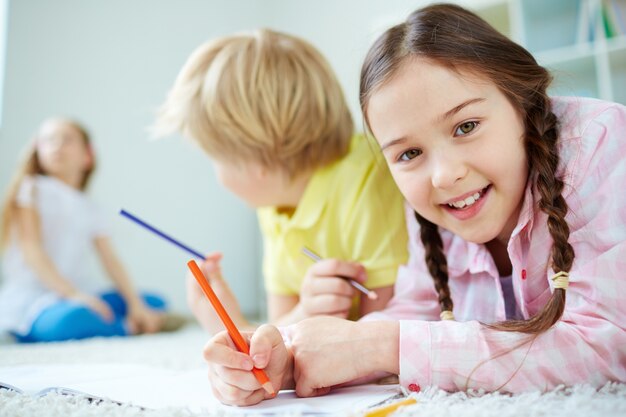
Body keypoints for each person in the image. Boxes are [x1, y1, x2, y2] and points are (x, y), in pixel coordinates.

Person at [200, 3, 626, 405]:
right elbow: (414, 309)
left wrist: (384, 346)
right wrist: (288, 359)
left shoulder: (599, 143)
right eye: (409, 154)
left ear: (523, 102)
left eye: (467, 126)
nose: (443, 175)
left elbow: (608, 345)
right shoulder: (435, 212)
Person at [154, 29, 408, 333]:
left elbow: (382, 336)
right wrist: (236, 328)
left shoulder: (366, 181)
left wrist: (286, 325)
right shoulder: (274, 206)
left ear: (256, 159)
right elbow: (282, 330)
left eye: (215, 157)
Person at [0, 118, 167, 342]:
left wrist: (136, 303)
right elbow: (32, 250)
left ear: (87, 155)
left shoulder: (90, 207)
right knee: (71, 319)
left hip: (80, 293)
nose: (57, 145)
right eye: (48, 140)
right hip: (38, 299)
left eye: (66, 140)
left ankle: (134, 319)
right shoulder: (31, 189)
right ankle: (127, 328)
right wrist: (73, 295)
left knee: (154, 301)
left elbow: (110, 260)